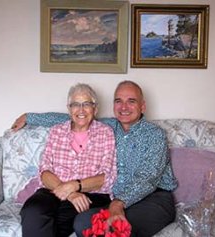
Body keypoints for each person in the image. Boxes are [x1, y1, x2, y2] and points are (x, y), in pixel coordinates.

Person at [13, 81, 177, 236]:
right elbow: (74, 118)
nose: (124, 107)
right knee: (83, 222)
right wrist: (29, 117)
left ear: (143, 106)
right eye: (118, 101)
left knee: (117, 227)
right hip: (115, 200)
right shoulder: (111, 126)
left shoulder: (155, 135)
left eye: (131, 101)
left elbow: (147, 178)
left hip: (152, 197)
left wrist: (118, 203)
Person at [19, 83, 117, 237]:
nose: (81, 110)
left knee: (60, 219)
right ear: (69, 109)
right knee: (32, 210)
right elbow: (44, 171)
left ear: (95, 109)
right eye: (75, 105)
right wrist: (69, 193)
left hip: (91, 194)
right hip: (53, 190)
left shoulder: (106, 132)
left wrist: (75, 186)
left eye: (86, 104)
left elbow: (107, 177)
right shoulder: (56, 131)